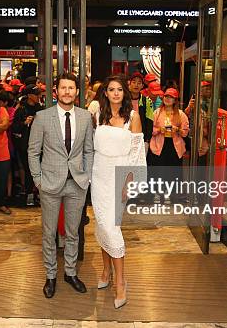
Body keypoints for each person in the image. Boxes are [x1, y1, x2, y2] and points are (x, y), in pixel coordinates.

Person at [28, 72, 94, 299]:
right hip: (49, 184)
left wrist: (87, 177)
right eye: (63, 88)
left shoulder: (85, 117)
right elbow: (33, 151)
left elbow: (88, 150)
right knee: (49, 233)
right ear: (56, 91)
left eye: (71, 88)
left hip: (77, 183)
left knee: (73, 232)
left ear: (77, 91)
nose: (67, 92)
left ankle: (70, 272)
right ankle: (51, 275)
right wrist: (38, 180)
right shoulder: (42, 116)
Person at [91, 75, 145, 309]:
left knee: (112, 227)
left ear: (124, 93)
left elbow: (136, 154)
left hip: (119, 176)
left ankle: (121, 281)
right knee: (102, 224)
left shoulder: (132, 117)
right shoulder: (97, 115)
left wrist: (129, 183)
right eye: (111, 89)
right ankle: (105, 270)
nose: (115, 93)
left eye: (119, 89)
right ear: (105, 93)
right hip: (99, 174)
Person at [148, 88, 190, 201]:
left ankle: (175, 195)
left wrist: (177, 130)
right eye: (166, 96)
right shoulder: (156, 112)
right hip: (160, 145)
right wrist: (159, 130)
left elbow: (185, 132)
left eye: (171, 97)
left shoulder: (181, 114)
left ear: (175, 100)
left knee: (174, 171)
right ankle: (160, 194)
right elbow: (150, 129)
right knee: (160, 170)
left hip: (174, 145)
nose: (167, 99)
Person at [11, 85, 43, 205]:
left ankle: (38, 193)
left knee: (40, 169)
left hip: (40, 144)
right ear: (29, 95)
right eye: (36, 94)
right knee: (29, 170)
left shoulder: (40, 108)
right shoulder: (22, 109)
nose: (39, 96)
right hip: (26, 144)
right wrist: (25, 122)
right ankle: (29, 193)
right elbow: (14, 128)